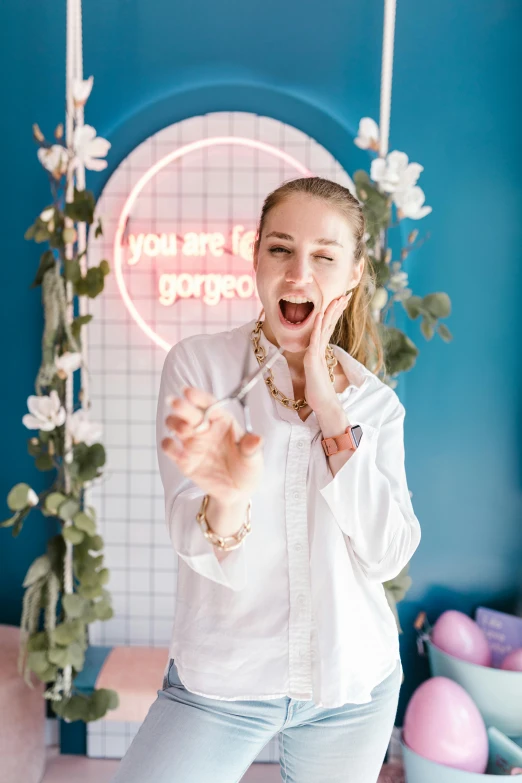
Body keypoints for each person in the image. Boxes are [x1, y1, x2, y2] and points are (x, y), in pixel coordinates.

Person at [111, 176, 421, 783]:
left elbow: (387, 554)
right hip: (221, 681)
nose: (298, 272)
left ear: (354, 274)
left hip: (350, 686)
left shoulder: (375, 405)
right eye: (280, 249)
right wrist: (227, 497)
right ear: (255, 257)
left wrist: (332, 411)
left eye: (324, 257)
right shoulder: (200, 367)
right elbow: (189, 529)